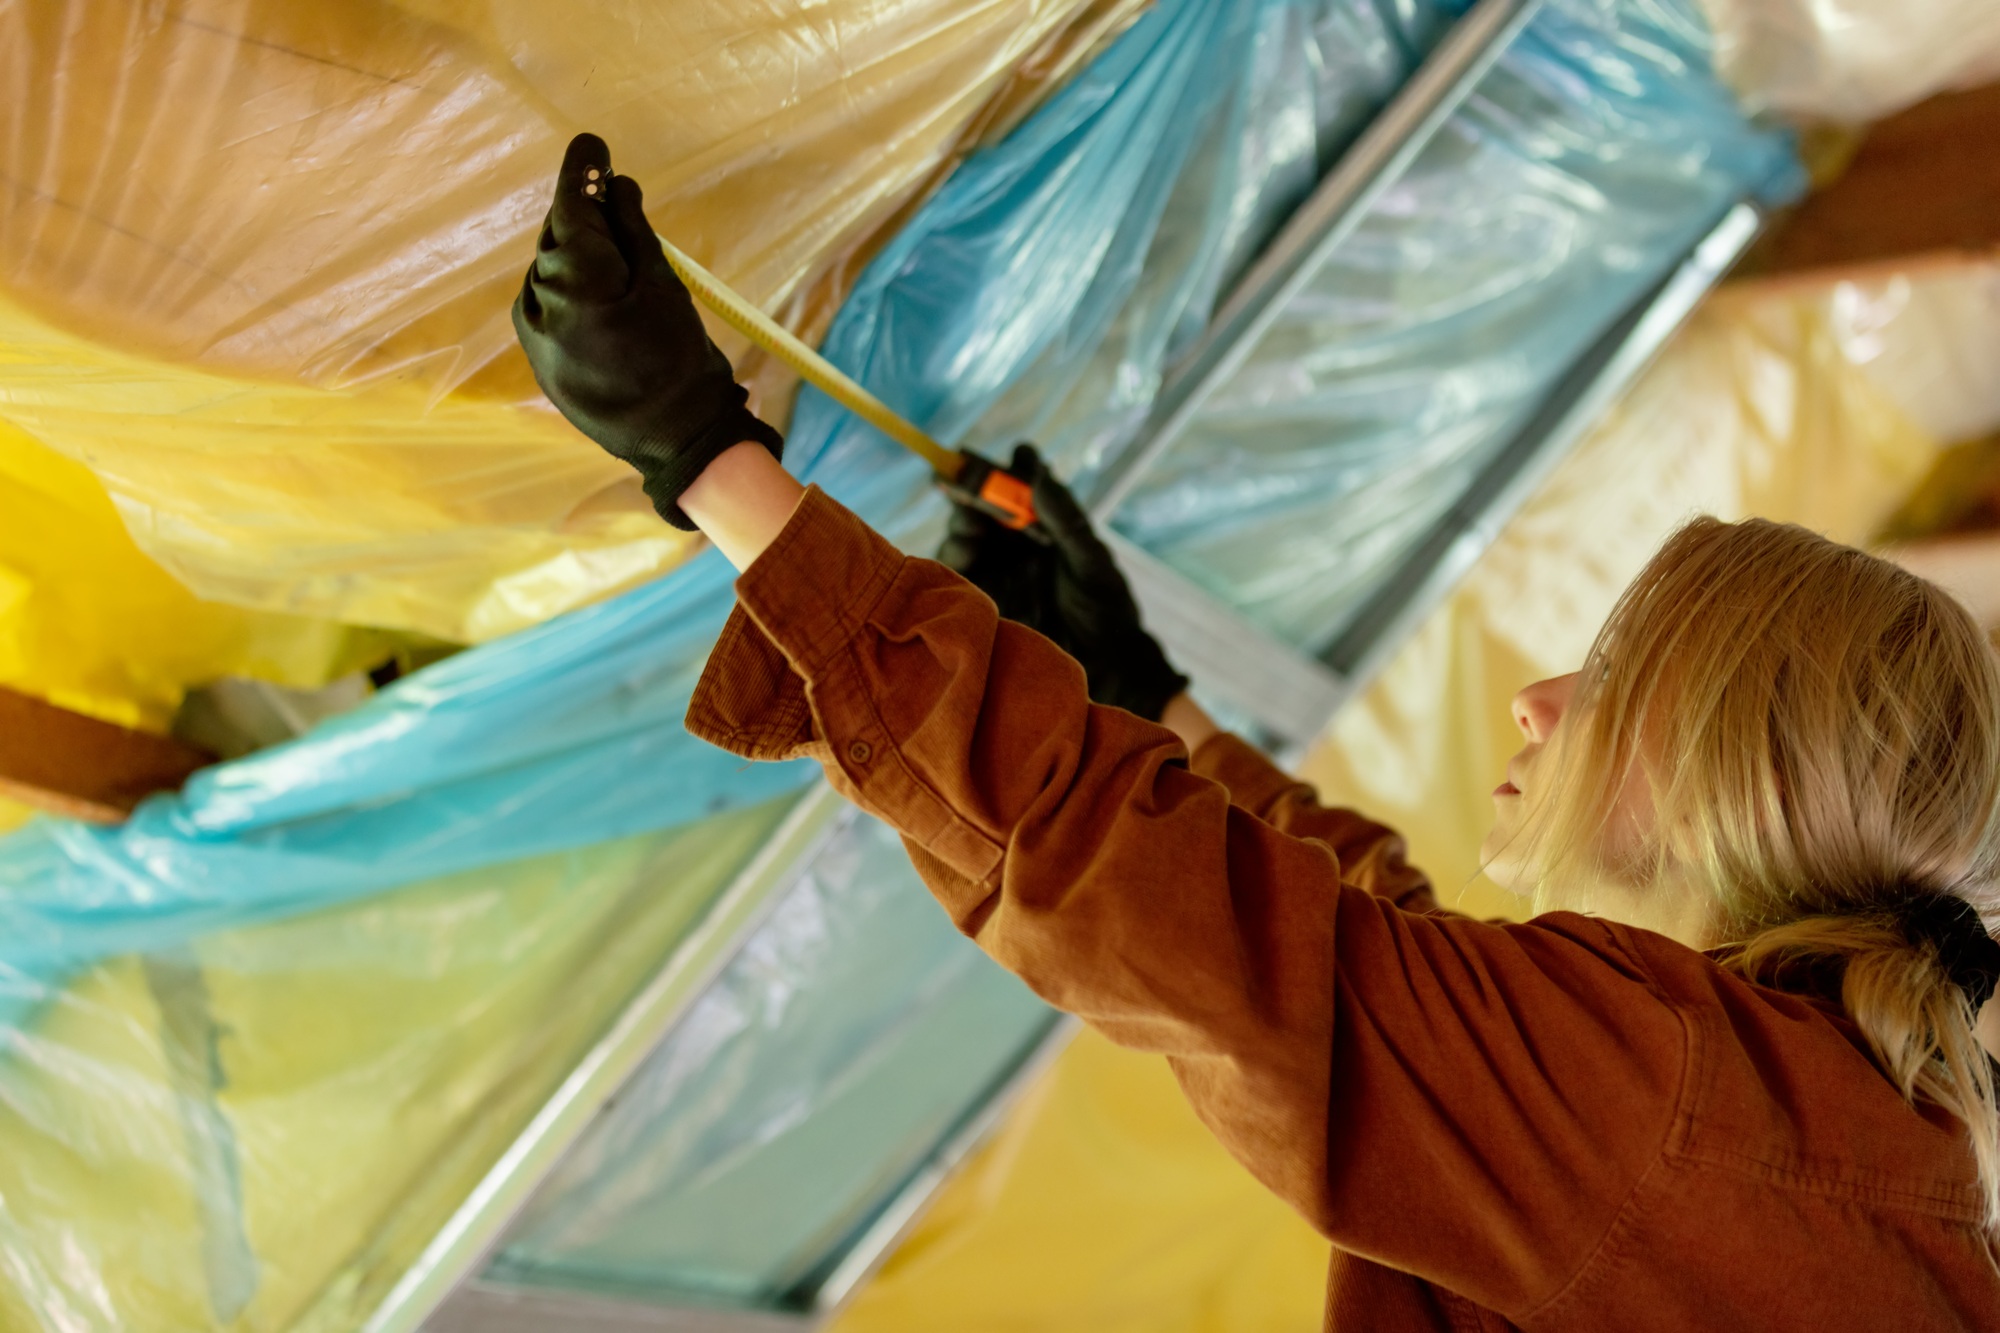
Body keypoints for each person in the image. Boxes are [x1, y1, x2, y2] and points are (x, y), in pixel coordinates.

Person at [513, 134, 2000, 1329]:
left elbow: (1222, 938)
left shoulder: (1696, 1113)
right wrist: (1141, 686)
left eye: (1616, 672)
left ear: (1745, 769)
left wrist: (709, 461)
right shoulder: (1800, 1127)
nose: (1541, 700)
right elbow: (1380, 956)